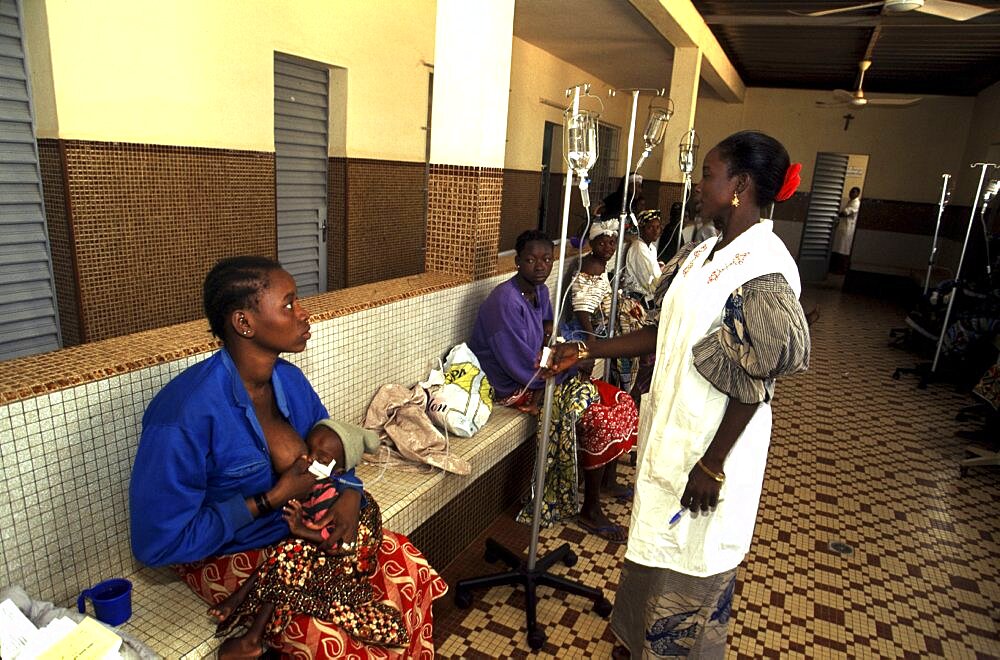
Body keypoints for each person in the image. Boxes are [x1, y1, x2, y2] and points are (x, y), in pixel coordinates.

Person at [546, 131, 811, 658]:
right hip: (674, 437)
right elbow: (663, 327)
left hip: (710, 451)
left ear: (738, 186)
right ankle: (633, 645)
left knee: (691, 566)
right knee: (653, 552)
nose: (696, 184)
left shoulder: (764, 269)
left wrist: (712, 464)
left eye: (708, 175)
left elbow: (757, 381)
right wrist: (591, 348)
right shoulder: (703, 252)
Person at [129, 256, 446, 658]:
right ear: (245, 323)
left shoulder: (289, 380)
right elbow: (157, 544)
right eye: (289, 304)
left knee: (410, 569)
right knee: (337, 643)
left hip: (303, 533)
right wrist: (271, 499)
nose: (305, 313)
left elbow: (331, 447)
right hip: (230, 552)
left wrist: (349, 492)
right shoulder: (184, 415)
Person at [469, 230, 636, 543]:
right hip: (512, 385)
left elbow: (548, 327)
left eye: (546, 259)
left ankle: (605, 481)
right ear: (517, 262)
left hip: (540, 369)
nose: (540, 266)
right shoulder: (504, 302)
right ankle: (590, 508)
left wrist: (560, 345)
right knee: (598, 418)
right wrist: (568, 369)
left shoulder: (539, 291)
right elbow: (518, 365)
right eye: (530, 260)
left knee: (621, 400)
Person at [210, 424, 407, 653]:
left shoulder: (332, 493)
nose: (309, 458)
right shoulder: (315, 482)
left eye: (321, 458)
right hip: (319, 542)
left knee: (289, 555)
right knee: (286, 554)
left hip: (344, 556)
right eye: (308, 450)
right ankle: (242, 611)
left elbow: (334, 539)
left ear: (338, 471)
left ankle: (251, 631)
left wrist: (300, 529)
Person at [562, 221, 646, 395]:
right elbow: (582, 306)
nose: (608, 247)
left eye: (612, 243)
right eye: (601, 243)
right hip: (590, 329)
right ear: (591, 244)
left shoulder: (599, 264)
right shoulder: (591, 266)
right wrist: (591, 339)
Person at [623, 209, 664, 309]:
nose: (655, 231)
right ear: (641, 229)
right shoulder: (638, 247)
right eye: (650, 227)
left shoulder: (651, 248)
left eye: (658, 227)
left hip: (647, 295)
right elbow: (648, 280)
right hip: (636, 298)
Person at [831, 186, 861, 273]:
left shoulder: (856, 203)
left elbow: (845, 213)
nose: (851, 193)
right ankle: (836, 268)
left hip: (847, 229)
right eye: (851, 191)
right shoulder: (850, 202)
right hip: (842, 228)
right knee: (838, 248)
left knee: (843, 249)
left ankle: (841, 269)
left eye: (853, 192)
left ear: (857, 194)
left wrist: (836, 215)